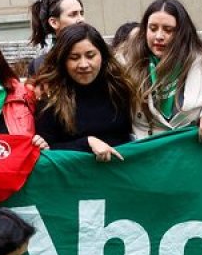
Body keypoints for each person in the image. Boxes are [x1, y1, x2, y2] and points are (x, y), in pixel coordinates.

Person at [125, 0, 202, 140]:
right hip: (150, 148)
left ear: (182, 33)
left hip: (191, 148)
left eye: (168, 30)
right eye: (153, 29)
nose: (159, 36)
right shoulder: (127, 65)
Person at [35, 23, 135, 160]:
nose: (83, 64)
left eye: (90, 55)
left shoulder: (121, 87)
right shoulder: (50, 97)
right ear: (62, 60)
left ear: (102, 55)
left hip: (123, 169)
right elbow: (47, 150)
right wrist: (87, 143)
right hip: (74, 172)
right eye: (74, 58)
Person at [28, 0, 85, 76]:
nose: (81, 19)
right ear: (54, 22)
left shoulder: (100, 53)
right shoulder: (40, 65)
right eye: (73, 14)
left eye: (81, 13)